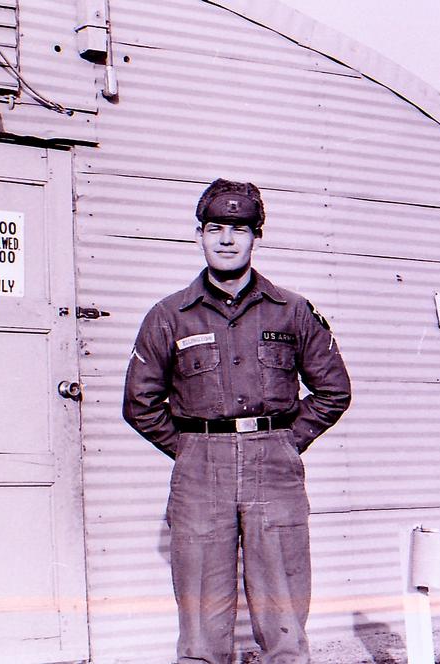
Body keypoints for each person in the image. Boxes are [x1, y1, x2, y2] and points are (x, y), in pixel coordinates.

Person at [123, 178, 352, 664]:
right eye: (215, 229)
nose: (226, 240)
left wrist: (286, 441)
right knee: (201, 621)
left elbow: (334, 390)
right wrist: (192, 447)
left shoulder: (293, 311)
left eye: (240, 229)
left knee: (283, 610)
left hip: (274, 466)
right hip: (200, 470)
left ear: (256, 237)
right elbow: (140, 403)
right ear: (199, 236)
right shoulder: (169, 316)